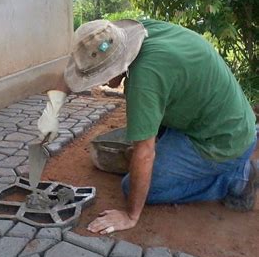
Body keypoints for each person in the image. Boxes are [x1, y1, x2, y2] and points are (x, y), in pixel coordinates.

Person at [37, 19, 257, 235]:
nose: (100, 83)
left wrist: (130, 215)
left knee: (135, 187)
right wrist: (51, 113)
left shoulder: (145, 78)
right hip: (216, 118)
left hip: (220, 141)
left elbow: (144, 153)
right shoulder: (119, 35)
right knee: (140, 149)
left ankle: (237, 178)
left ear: (116, 64)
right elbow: (76, 64)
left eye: (99, 76)